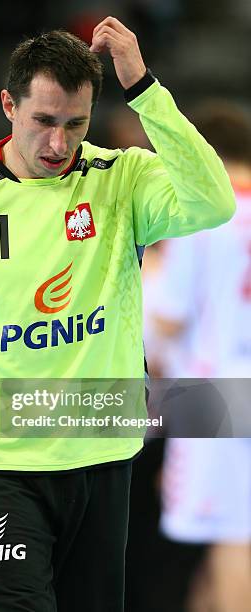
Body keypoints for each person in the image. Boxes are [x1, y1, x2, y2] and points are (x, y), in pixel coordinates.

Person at [0, 16, 235, 612]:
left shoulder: (121, 179)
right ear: (8, 104)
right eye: (43, 121)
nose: (59, 145)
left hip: (100, 452)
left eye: (75, 124)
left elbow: (213, 201)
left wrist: (143, 88)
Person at [154, 101, 251, 612]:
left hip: (213, 394)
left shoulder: (203, 212)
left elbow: (168, 317)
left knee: (232, 537)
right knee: (228, 543)